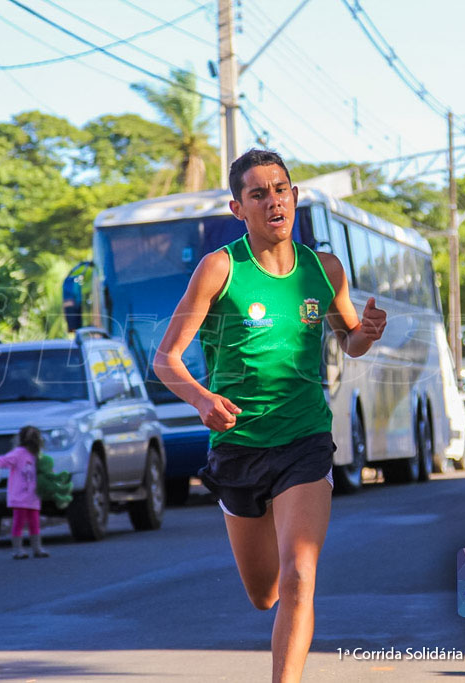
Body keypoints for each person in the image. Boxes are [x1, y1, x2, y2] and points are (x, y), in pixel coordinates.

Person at [152, 149, 386, 683]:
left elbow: (349, 339)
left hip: (304, 440)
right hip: (237, 447)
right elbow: (165, 359)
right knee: (265, 594)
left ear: (295, 197)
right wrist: (202, 399)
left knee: (301, 575)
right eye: (258, 193)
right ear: (239, 208)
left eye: (280, 189)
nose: (272, 200)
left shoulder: (323, 270)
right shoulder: (221, 269)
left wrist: (364, 335)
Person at [0, 426, 49, 559]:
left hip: (33, 496)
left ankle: (36, 548)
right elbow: (4, 460)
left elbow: (45, 471)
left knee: (34, 522)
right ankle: (18, 549)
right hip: (19, 496)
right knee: (19, 522)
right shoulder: (19, 453)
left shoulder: (38, 456)